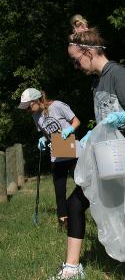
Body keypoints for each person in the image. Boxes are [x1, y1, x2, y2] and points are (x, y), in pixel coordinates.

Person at [49, 20, 125, 280]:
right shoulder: (97, 81)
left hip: (123, 157)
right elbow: (104, 118)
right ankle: (72, 268)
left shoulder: (117, 74)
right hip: (105, 155)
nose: (76, 67)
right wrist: (90, 133)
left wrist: (120, 119)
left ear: (88, 52)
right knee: (76, 204)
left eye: (76, 61)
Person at [18, 88, 80, 229]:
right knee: (59, 191)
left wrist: (69, 129)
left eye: (28, 106)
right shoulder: (35, 116)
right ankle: (64, 223)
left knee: (82, 184)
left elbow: (76, 121)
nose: (27, 110)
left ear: (35, 101)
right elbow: (46, 134)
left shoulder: (58, 106)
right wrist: (43, 139)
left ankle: (82, 210)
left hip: (72, 152)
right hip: (57, 155)